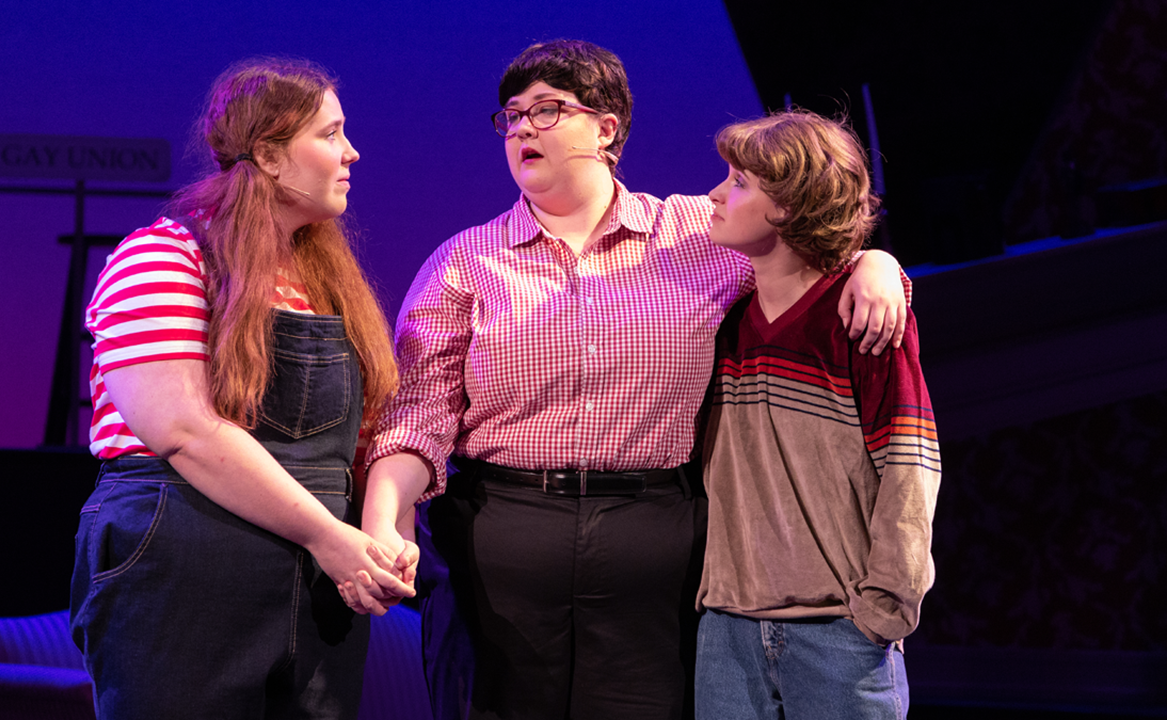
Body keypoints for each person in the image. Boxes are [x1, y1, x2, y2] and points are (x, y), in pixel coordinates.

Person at [358, 40, 909, 720]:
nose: (523, 128)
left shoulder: (697, 235)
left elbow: (810, 264)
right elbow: (418, 417)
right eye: (512, 115)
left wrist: (876, 265)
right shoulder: (464, 262)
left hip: (652, 541)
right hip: (501, 537)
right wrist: (383, 520)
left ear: (607, 127)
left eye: (547, 109)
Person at [68, 58, 416, 720]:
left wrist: (386, 531)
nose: (351, 152)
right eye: (330, 133)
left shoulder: (324, 285)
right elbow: (183, 430)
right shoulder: (164, 257)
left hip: (320, 578)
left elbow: (369, 435)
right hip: (188, 557)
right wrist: (328, 537)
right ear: (270, 154)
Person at [694, 110, 940, 719]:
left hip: (838, 634)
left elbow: (909, 468)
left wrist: (883, 611)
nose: (715, 194)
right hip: (727, 630)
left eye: (739, 182)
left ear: (789, 206)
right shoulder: (725, 323)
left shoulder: (858, 320)